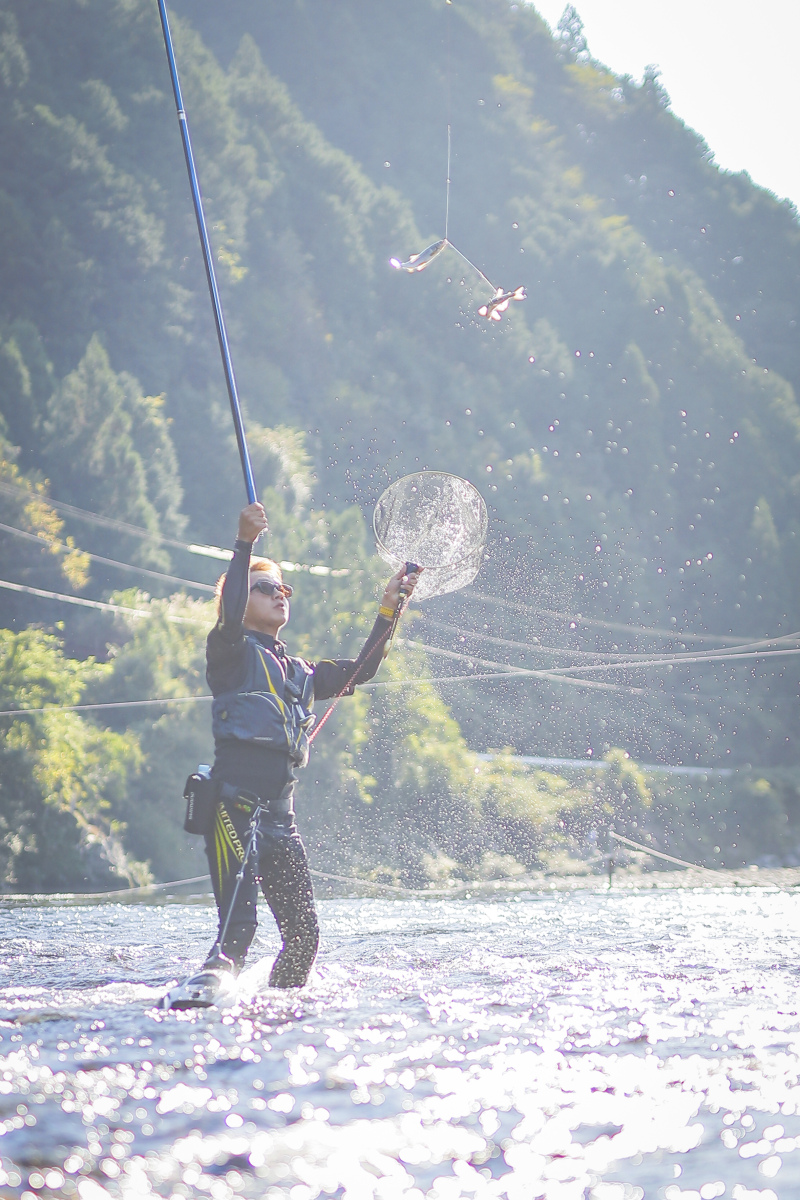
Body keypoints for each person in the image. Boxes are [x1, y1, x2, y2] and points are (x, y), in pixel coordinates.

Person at [202, 500, 419, 988]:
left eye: (283, 588)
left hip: (281, 820)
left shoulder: (301, 672)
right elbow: (229, 612)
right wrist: (244, 542)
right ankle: (208, 994)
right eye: (264, 588)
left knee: (304, 940)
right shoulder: (228, 652)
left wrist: (390, 608)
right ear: (239, 601)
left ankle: (280, 1008)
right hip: (233, 810)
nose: (279, 594)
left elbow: (363, 669)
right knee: (239, 930)